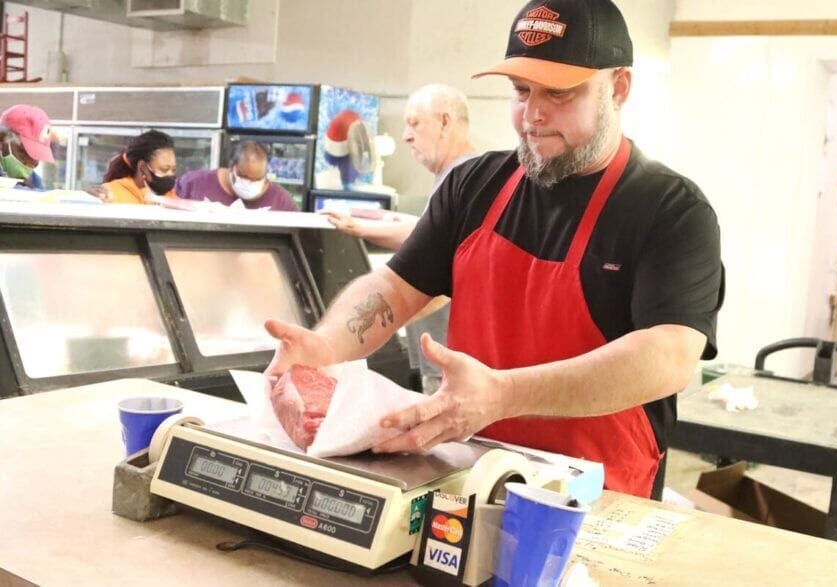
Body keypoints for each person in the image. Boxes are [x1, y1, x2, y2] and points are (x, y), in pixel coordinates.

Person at [264, 0, 724, 499]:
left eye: (559, 93)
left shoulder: (670, 209)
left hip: (596, 494)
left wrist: (504, 395)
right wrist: (328, 345)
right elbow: (396, 287)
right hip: (470, 476)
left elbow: (671, 354)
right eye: (521, 91)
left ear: (618, 88)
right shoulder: (473, 185)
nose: (533, 115)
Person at [325, 83, 477, 394]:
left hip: (450, 363)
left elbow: (433, 243)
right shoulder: (457, 177)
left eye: (414, 123)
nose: (406, 135)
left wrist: (359, 228)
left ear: (445, 122)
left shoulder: (465, 176)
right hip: (441, 357)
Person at [175, 140, 299, 211]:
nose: (249, 183)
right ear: (232, 166)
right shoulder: (194, 183)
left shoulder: (281, 200)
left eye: (257, 179)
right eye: (244, 176)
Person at [96, 130, 178, 204]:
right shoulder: (110, 194)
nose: (170, 174)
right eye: (164, 169)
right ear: (143, 167)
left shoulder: (171, 196)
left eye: (173, 170)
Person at [0, 105, 55, 190]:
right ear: (2, 142)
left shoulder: (35, 180)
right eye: (24, 153)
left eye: (36, 158)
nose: (30, 165)